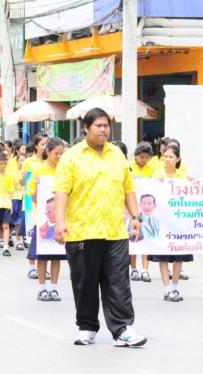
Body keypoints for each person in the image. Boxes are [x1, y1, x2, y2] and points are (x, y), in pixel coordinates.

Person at [54, 107, 146, 347]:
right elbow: (61, 191)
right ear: (86, 128)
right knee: (85, 282)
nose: (104, 130)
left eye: (106, 125)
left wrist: (136, 217)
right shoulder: (71, 157)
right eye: (99, 125)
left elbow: (128, 189)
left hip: (115, 231)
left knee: (118, 282)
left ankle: (122, 329)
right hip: (82, 231)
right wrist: (60, 222)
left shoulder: (117, 155)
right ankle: (87, 327)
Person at [149, 144, 193, 302]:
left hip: (179, 222)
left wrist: (193, 182)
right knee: (163, 256)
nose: (167, 159)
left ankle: (175, 287)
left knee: (179, 256)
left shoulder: (183, 176)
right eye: (165, 156)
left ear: (178, 159)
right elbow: (149, 195)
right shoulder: (157, 174)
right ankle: (167, 289)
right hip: (163, 221)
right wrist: (157, 184)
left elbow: (192, 194)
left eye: (171, 157)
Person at [28, 138, 67, 301]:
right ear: (48, 152)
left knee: (57, 254)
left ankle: (54, 288)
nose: (59, 156)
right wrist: (37, 186)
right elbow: (34, 198)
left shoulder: (64, 170)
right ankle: (42, 288)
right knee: (43, 255)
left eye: (61, 153)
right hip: (42, 220)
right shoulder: (39, 170)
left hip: (60, 219)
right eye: (56, 153)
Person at [22, 134, 48, 280]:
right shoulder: (29, 162)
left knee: (45, 234)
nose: (45, 146)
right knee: (34, 233)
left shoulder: (49, 161)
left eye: (47, 143)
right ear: (36, 146)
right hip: (32, 202)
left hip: (47, 203)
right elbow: (21, 181)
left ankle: (43, 267)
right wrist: (24, 176)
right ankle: (32, 267)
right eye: (43, 144)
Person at [129, 142, 155, 283]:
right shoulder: (129, 168)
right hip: (133, 208)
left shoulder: (152, 169)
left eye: (146, 157)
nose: (144, 160)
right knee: (134, 238)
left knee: (146, 239)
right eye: (141, 157)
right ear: (136, 156)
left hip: (147, 208)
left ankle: (145, 269)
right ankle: (133, 268)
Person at [0, 152, 15, 256]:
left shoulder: (9, 175)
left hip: (6, 204)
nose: (3, 166)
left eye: (5, 163)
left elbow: (11, 191)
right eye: (1, 164)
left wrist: (11, 205)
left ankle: (6, 248)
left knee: (6, 226)